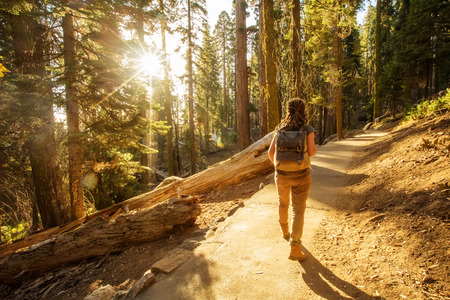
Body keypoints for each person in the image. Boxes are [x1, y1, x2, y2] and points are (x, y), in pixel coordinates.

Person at [268, 98, 316, 261]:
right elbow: (312, 151)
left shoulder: (279, 129)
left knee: (282, 203)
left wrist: (278, 167)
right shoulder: (308, 129)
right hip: (302, 174)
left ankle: (285, 231)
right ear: (304, 111)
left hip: (281, 174)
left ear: (287, 110)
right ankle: (295, 247)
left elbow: (270, 152)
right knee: (298, 210)